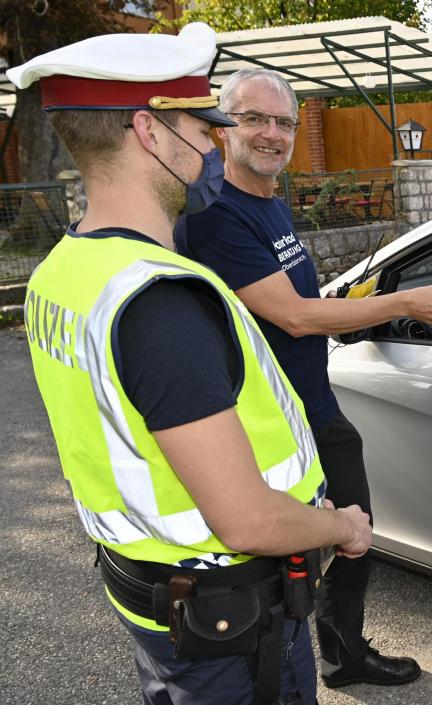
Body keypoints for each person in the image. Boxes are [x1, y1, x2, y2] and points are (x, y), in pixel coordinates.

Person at [9, 24, 372, 705]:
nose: (215, 144)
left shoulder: (65, 269)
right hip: (232, 636)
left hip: (159, 603)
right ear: (150, 133)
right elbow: (247, 520)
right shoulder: (160, 301)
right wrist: (342, 525)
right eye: (202, 128)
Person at [177, 68, 432, 688]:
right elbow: (296, 317)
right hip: (275, 424)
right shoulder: (219, 216)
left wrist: (353, 302)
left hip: (312, 403)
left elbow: (295, 297)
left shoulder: (268, 203)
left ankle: (340, 653)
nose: (271, 134)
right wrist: (400, 304)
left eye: (283, 122)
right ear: (225, 127)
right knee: (304, 549)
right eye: (254, 119)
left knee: (351, 531)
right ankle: (293, 666)